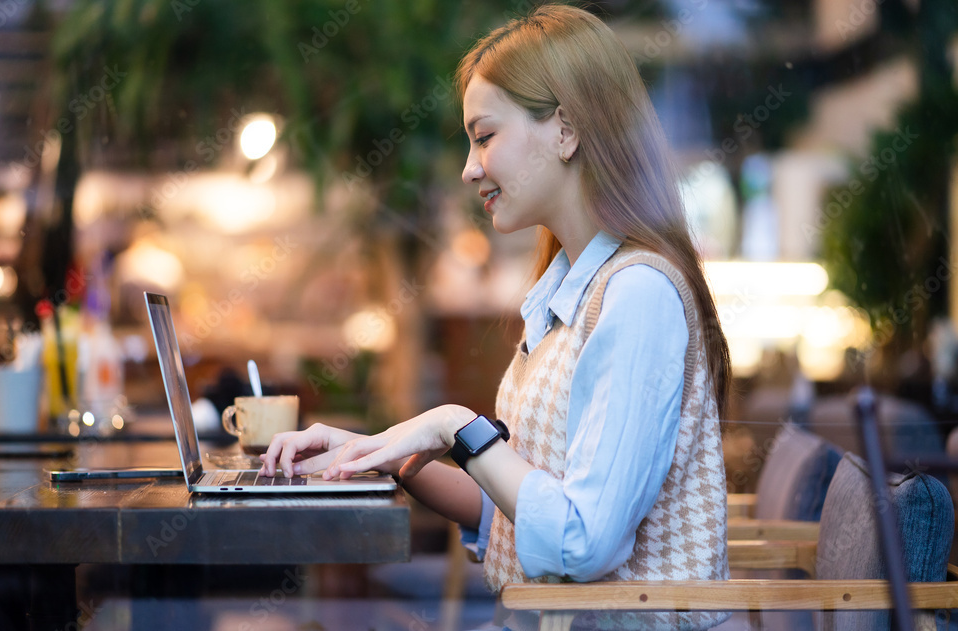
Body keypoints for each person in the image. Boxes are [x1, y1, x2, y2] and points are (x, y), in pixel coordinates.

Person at [261, 5, 732, 629]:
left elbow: (581, 542)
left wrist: (454, 425)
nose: (469, 167)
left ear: (566, 130)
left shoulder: (637, 294)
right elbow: (513, 517)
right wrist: (373, 452)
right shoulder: (571, 289)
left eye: (484, 136)